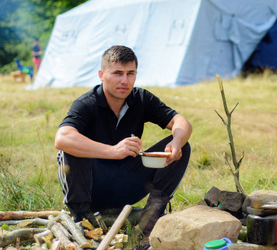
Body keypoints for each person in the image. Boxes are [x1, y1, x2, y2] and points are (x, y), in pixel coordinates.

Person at [54, 45, 192, 236]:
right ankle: (82, 218)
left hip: (130, 185)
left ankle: (151, 218)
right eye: (118, 73)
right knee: (69, 148)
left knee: (183, 146)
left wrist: (176, 142)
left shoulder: (141, 98)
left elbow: (181, 121)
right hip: (92, 188)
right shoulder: (87, 103)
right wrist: (113, 151)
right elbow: (62, 138)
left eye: (130, 73)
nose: (125, 81)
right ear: (102, 74)